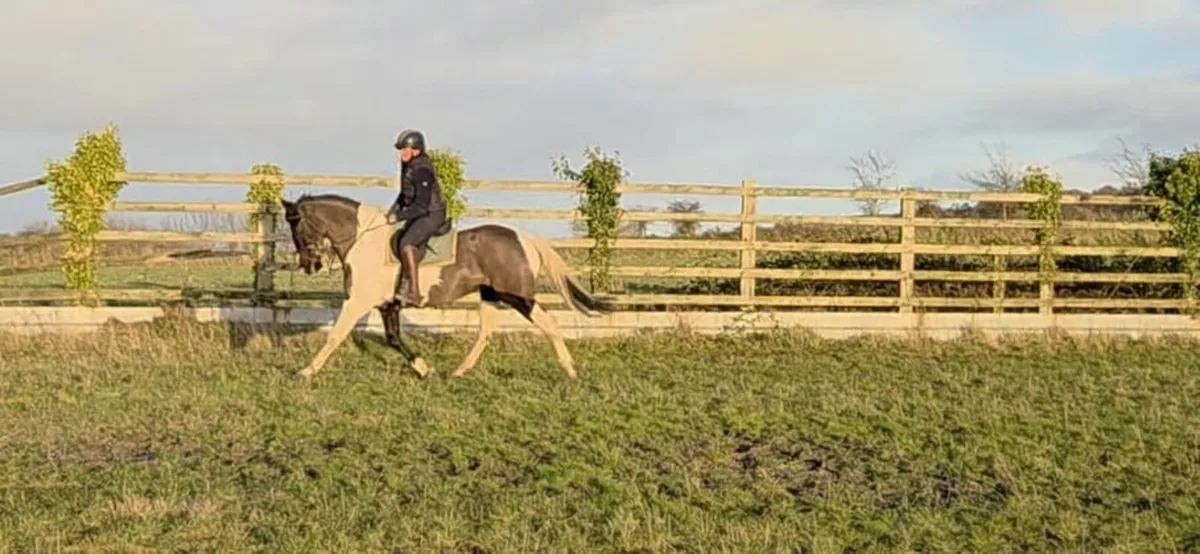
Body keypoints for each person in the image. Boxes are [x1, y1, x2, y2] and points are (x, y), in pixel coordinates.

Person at [387, 129, 447, 306]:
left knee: (406, 243)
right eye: (401, 150)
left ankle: (414, 292)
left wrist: (399, 216)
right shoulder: (409, 166)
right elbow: (405, 194)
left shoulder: (422, 170)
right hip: (419, 212)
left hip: (432, 214)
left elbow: (421, 205)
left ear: (416, 150)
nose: (401, 153)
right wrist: (392, 212)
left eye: (405, 150)